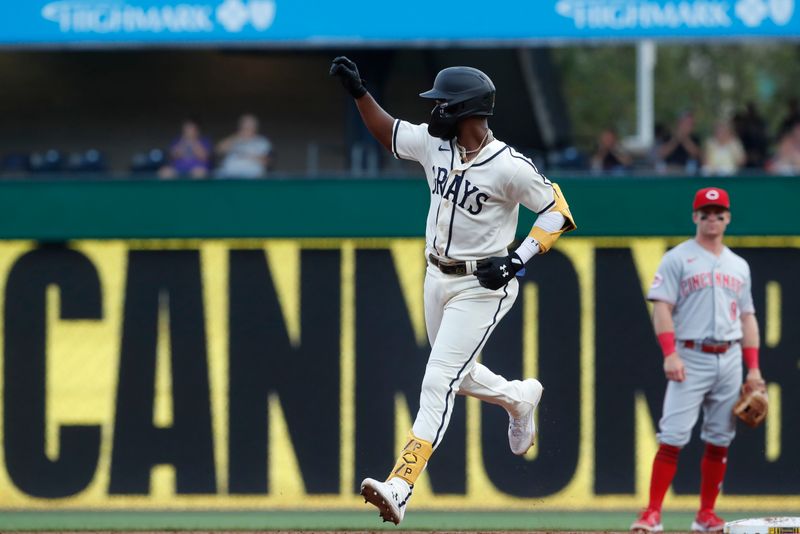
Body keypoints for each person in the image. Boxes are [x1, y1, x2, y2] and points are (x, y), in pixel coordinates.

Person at [330, 56, 576, 525]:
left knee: (437, 377)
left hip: (484, 284)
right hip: (437, 276)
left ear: (464, 110)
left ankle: (401, 484)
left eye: (441, 104)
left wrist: (517, 259)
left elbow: (557, 211)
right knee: (457, 377)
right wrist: (360, 93)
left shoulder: (508, 166)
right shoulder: (435, 145)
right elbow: (389, 133)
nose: (432, 111)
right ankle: (519, 398)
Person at [630, 187, 764, 533]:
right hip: (690, 355)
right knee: (672, 435)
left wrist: (754, 369)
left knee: (720, 437)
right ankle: (653, 514)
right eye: (706, 213)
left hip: (730, 356)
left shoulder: (739, 265)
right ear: (695, 217)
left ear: (728, 218)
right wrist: (670, 353)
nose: (712, 219)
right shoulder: (678, 258)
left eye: (718, 213)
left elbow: (747, 317)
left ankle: (706, 514)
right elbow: (662, 307)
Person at [215, 114, 272, 179]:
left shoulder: (262, 142)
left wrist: (248, 155)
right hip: (229, 175)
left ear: (255, 127)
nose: (246, 128)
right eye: (244, 126)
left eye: (249, 126)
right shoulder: (234, 139)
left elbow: (267, 162)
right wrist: (235, 137)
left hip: (252, 177)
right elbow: (218, 150)